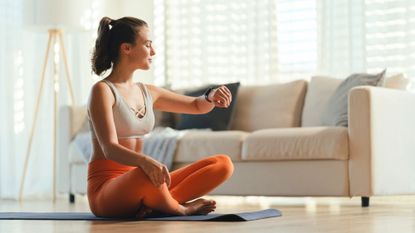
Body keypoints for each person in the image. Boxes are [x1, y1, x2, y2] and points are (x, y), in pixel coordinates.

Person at [87, 16, 234, 218]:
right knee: (143, 174)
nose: (153, 51)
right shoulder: (102, 91)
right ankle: (180, 208)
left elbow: (196, 105)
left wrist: (210, 96)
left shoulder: (149, 92)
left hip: (143, 181)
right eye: (148, 45)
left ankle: (153, 204)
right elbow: (109, 148)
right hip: (107, 191)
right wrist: (146, 162)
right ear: (126, 48)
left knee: (222, 164)